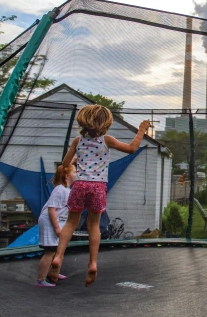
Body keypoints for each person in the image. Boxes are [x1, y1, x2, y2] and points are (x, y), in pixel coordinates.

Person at [49, 104, 150, 286]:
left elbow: (65, 164)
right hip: (98, 187)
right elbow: (131, 148)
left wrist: (73, 159)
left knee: (71, 223)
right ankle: (93, 263)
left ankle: (58, 257)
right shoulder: (107, 140)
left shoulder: (77, 141)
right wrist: (142, 130)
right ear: (105, 125)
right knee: (94, 226)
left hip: (79, 185)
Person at [35, 159, 76, 287]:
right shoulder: (59, 189)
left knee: (58, 249)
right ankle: (40, 280)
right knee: (50, 251)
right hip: (50, 222)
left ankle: (53, 272)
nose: (77, 174)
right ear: (67, 176)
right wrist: (57, 228)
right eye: (75, 172)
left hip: (59, 221)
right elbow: (51, 209)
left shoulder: (67, 190)